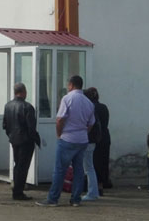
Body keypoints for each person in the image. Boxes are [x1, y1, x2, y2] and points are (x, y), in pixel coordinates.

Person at [36, 75, 95, 208]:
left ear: (71, 85)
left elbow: (60, 119)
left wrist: (59, 134)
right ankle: (75, 199)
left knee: (59, 169)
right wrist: (84, 133)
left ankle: (53, 198)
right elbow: (91, 123)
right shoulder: (88, 102)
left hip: (67, 138)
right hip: (82, 140)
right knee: (79, 170)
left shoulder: (67, 98)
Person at [3, 82, 40, 201]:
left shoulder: (8, 106)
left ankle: (16, 188)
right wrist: (35, 138)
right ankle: (18, 192)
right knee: (22, 166)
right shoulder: (27, 107)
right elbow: (31, 127)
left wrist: (10, 134)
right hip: (26, 141)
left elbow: (5, 124)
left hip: (14, 139)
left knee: (17, 164)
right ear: (23, 92)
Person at [89, 87, 111, 194]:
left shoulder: (90, 107)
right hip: (105, 136)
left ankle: (94, 186)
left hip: (94, 138)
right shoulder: (103, 107)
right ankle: (102, 183)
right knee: (103, 161)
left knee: (93, 163)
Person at [81, 87, 101, 201]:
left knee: (88, 168)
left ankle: (92, 192)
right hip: (93, 140)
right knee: (89, 167)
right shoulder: (96, 107)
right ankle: (93, 191)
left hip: (87, 140)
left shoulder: (89, 108)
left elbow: (89, 124)